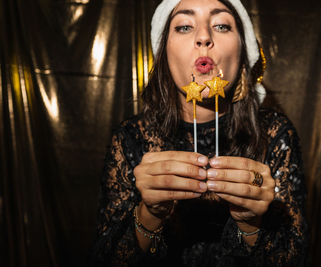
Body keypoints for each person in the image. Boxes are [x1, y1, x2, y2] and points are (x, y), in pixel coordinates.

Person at [91, 0, 308, 266]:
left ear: (243, 50)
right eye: (184, 26)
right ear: (163, 52)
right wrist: (150, 214)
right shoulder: (130, 138)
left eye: (221, 25)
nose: (204, 37)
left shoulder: (276, 134)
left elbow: (295, 259)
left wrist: (251, 224)